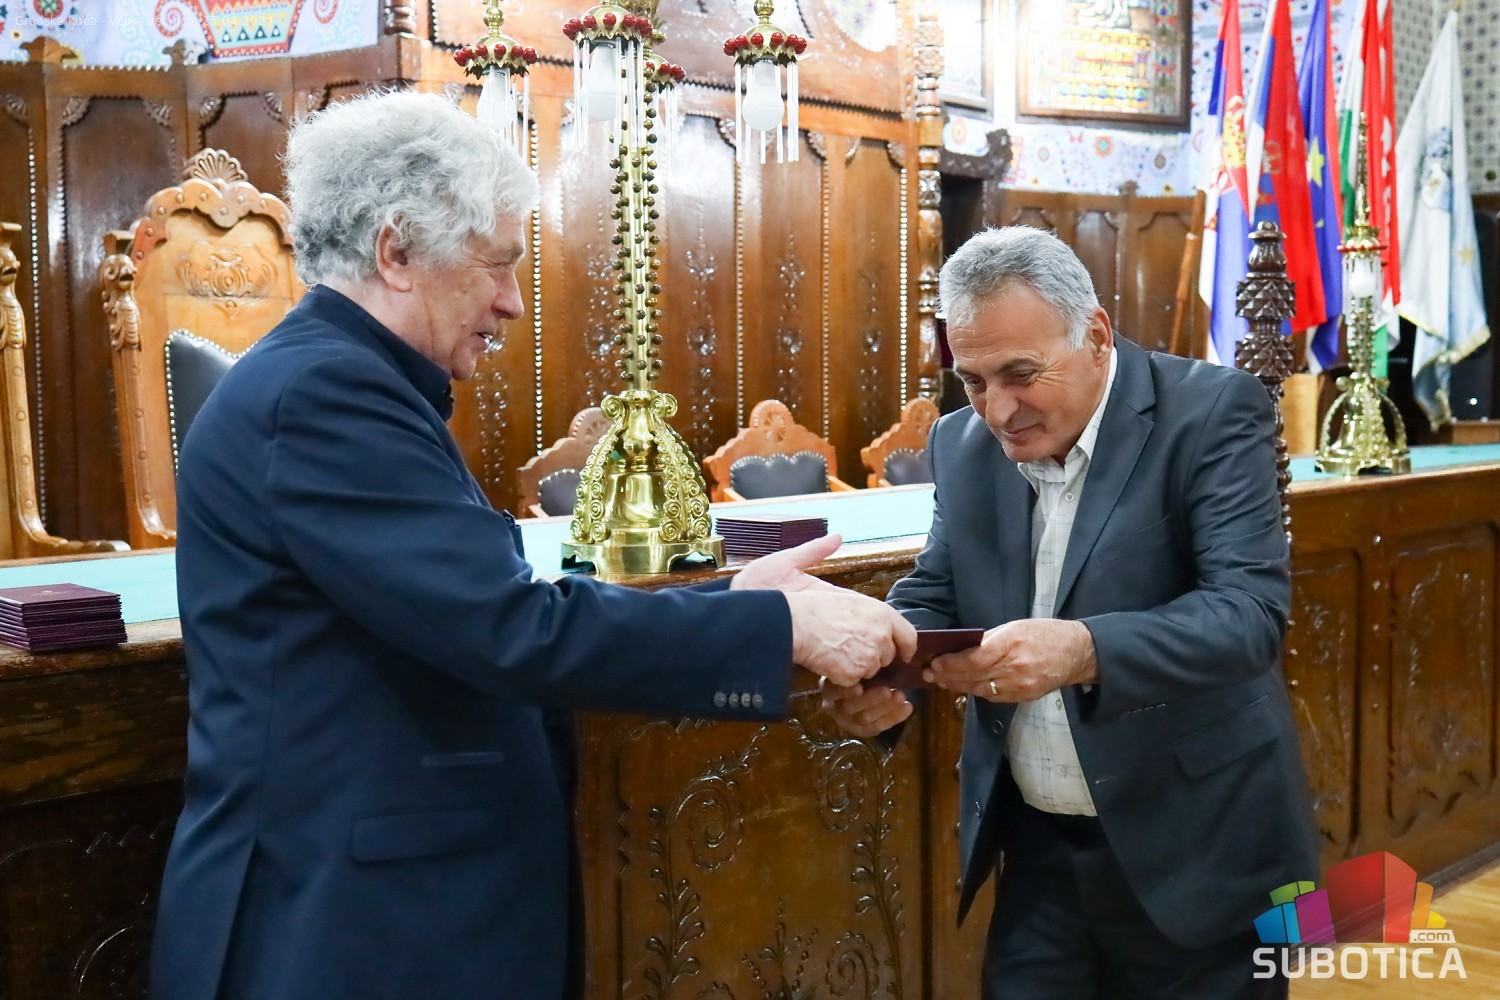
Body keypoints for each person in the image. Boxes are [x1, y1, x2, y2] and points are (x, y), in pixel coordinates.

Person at [150, 90, 917, 1000]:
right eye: (498, 265)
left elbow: (472, 611)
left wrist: (740, 601)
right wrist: (776, 629)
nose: (512, 303)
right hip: (342, 927)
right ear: (396, 252)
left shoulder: (347, 380)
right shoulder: (325, 397)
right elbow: (509, 629)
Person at [821, 227, 1318, 998]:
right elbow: (937, 587)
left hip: (1201, 847)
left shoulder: (1213, 410)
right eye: (973, 380)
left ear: (1095, 335)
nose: (997, 410)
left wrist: (1084, 650)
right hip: (1039, 851)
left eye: (1021, 374)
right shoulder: (960, 442)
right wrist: (883, 669)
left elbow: (1248, 615)